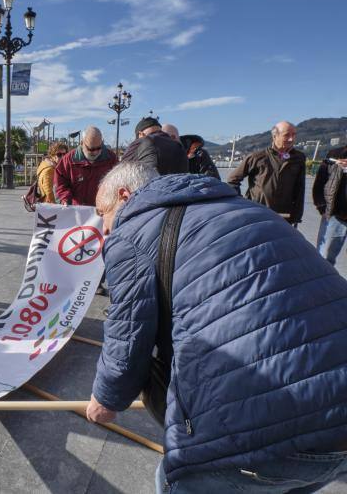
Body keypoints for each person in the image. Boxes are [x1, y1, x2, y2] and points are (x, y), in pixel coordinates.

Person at [87, 162, 347, 493]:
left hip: (268, 425)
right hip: (337, 423)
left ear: (124, 196)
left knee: (176, 480)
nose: (104, 228)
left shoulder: (131, 232)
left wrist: (105, 400)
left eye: (102, 213)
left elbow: (126, 337)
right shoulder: (245, 209)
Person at [227, 121, 305, 225]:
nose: (291, 139)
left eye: (294, 135)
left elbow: (300, 188)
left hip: (284, 216)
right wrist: (242, 203)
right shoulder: (257, 157)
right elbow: (233, 179)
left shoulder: (298, 158)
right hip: (257, 214)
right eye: (286, 135)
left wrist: (297, 215)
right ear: (274, 136)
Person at [54, 126, 117, 206]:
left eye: (99, 148)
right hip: (76, 211)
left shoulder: (111, 159)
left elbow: (118, 184)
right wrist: (64, 199)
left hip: (102, 212)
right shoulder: (69, 160)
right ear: (81, 143)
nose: (95, 152)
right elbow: (60, 184)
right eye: (91, 149)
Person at [313, 139, 347, 265]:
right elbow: (320, 182)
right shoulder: (335, 154)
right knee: (324, 258)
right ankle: (320, 285)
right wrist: (322, 206)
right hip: (336, 216)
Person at [122, 117, 188, 174]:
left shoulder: (142, 142)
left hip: (150, 187)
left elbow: (122, 170)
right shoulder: (178, 145)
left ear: (140, 134)